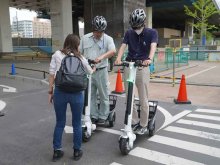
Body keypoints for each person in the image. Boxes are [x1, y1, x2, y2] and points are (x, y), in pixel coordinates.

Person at [48, 34, 95, 162]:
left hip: (60, 92)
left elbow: (52, 74)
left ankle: (57, 151)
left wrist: (50, 92)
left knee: (60, 123)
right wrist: (94, 67)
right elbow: (90, 72)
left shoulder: (57, 54)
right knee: (77, 123)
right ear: (77, 45)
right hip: (77, 94)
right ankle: (76, 151)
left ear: (65, 43)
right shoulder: (81, 57)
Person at [115, 9, 158, 135]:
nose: (136, 29)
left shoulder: (152, 32)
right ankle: (133, 121)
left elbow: (153, 46)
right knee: (129, 97)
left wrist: (149, 58)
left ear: (143, 23)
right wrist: (118, 58)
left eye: (138, 26)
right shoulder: (129, 33)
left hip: (142, 67)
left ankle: (143, 124)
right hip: (130, 65)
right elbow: (123, 45)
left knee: (143, 97)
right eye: (134, 26)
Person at [80, 16, 116, 125]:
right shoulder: (85, 38)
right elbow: (79, 52)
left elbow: (113, 51)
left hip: (101, 71)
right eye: (96, 31)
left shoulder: (108, 39)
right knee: (90, 95)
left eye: (101, 32)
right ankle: (93, 115)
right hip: (88, 71)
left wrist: (101, 57)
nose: (98, 34)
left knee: (104, 94)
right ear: (93, 29)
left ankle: (103, 116)